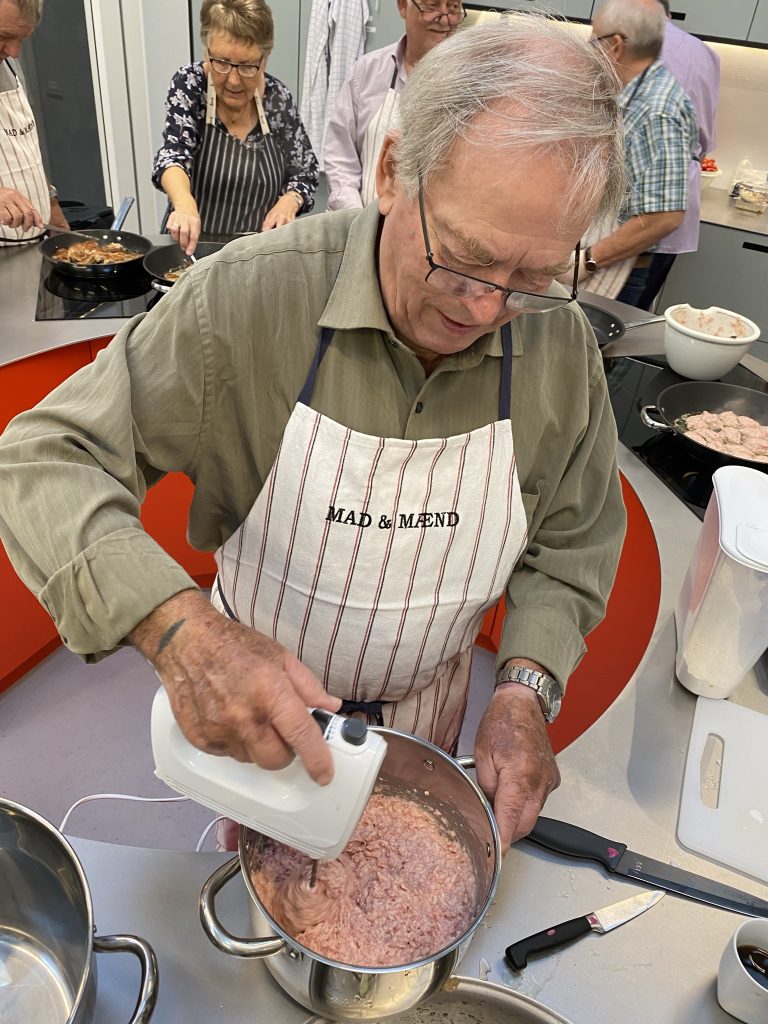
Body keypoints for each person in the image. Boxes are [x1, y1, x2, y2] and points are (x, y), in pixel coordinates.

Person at [0, 15, 628, 851]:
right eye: (465, 259)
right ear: (396, 169)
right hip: (250, 724)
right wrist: (182, 634)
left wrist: (522, 688)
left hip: (424, 734)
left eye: (533, 277)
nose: (484, 309)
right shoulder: (249, 301)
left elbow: (573, 542)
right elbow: (42, 458)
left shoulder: (561, 348)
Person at [152, 0, 318, 255]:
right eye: (221, 62)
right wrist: (183, 203)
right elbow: (174, 155)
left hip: (255, 256)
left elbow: (305, 170)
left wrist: (289, 201)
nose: (233, 79)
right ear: (206, 52)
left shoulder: (277, 98)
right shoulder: (190, 85)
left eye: (247, 66)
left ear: (265, 59)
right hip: (190, 253)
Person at [574, 0, 697, 305]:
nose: (591, 48)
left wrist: (587, 261)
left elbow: (664, 217)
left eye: (594, 39)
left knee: (590, 350)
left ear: (615, 45)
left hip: (612, 268)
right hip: (598, 253)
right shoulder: (634, 90)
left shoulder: (656, 110)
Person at [323, 0, 463, 211]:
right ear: (403, 6)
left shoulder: (469, 84)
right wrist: (357, 221)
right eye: (432, 5)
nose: (444, 18)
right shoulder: (366, 72)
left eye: (453, 7)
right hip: (359, 224)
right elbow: (340, 156)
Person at [635, 0, 720, 310]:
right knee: (634, 309)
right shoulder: (704, 53)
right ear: (668, 15)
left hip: (623, 202)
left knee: (591, 310)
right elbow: (705, 136)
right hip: (676, 201)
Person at [0, 0, 68, 243]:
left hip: (33, 239)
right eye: (4, 36)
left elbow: (24, 148)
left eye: (22, 38)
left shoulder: (9, 63)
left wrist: (51, 203)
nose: (14, 51)